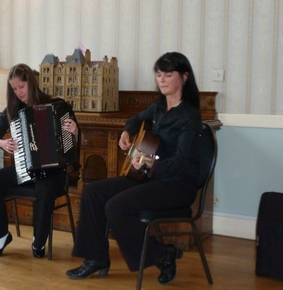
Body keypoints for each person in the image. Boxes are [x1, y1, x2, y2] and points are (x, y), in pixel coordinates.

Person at [66, 52, 202, 285]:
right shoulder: (159, 108)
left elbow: (181, 161)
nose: (162, 79)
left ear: (185, 77)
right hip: (149, 176)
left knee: (116, 207)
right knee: (92, 192)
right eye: (159, 75)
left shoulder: (190, 116)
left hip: (176, 185)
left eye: (168, 74)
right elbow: (134, 120)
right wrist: (126, 134)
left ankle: (162, 254)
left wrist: (149, 163)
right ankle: (96, 258)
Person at [0, 63, 81, 258]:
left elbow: (74, 146)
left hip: (54, 172)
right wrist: (2, 143)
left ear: (31, 83)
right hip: (26, 169)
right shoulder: (13, 110)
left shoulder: (56, 105)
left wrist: (75, 132)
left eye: (21, 87)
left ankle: (39, 241)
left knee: (44, 191)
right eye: (14, 88)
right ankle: (1, 235)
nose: (18, 92)